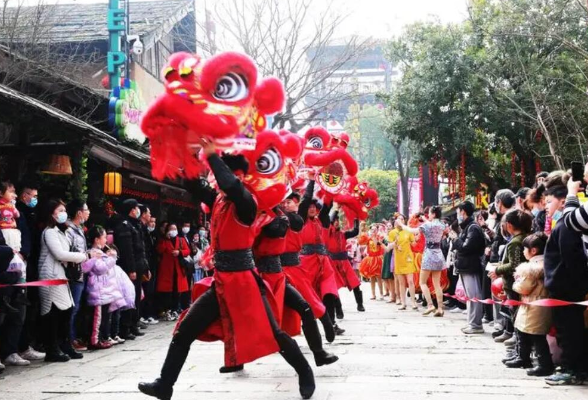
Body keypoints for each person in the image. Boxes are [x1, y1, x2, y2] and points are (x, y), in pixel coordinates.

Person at [139, 140, 316, 400]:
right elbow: (193, 185)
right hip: (221, 280)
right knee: (184, 331)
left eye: (225, 173)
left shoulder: (247, 203)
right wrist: (187, 156)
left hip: (244, 281)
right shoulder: (219, 200)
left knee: (274, 334)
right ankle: (165, 385)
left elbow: (231, 185)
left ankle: (305, 372)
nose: (217, 179)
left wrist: (210, 155)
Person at [545, 178, 588, 385]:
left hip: (567, 287)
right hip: (565, 285)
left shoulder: (567, 225)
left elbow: (571, 256)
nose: (546, 206)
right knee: (568, 328)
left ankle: (572, 368)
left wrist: (577, 283)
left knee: (569, 330)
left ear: (564, 202)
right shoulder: (562, 222)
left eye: (549, 201)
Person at [38, 199, 88, 362]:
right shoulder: (49, 232)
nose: (63, 213)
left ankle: (64, 344)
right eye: (60, 210)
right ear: (51, 213)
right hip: (51, 276)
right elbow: (59, 254)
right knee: (53, 313)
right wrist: (83, 257)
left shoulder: (61, 232)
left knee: (66, 311)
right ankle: (52, 349)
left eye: (64, 210)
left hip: (62, 276)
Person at [298, 178, 344, 336]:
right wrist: (311, 180)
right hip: (306, 264)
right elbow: (303, 203)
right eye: (309, 207)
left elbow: (327, 206)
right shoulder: (301, 220)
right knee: (307, 297)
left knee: (329, 293)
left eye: (314, 207)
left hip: (323, 263)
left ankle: (331, 324)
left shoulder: (321, 220)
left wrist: (331, 185)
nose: (311, 209)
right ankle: (307, 325)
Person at [504, 233, 553, 377]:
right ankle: (523, 358)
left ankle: (544, 365)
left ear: (533, 250)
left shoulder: (531, 268)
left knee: (536, 336)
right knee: (524, 332)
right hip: (534, 304)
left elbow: (523, 287)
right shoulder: (545, 263)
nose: (523, 251)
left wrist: (515, 283)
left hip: (534, 305)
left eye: (524, 248)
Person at [490, 210, 533, 347]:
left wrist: (497, 269)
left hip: (514, 284)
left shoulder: (515, 242)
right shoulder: (527, 237)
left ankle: (520, 346)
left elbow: (514, 265)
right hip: (523, 283)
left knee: (515, 314)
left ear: (508, 225)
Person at [14, 182, 44, 362]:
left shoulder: (28, 214)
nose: (35, 200)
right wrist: (24, 253)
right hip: (20, 262)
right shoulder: (17, 213)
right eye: (33, 196)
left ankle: (25, 344)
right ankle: (19, 347)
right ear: (24, 195)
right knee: (20, 307)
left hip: (30, 262)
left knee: (29, 307)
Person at [83, 226, 125, 350]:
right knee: (97, 317)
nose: (106, 240)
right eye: (104, 237)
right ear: (96, 239)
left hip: (104, 290)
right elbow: (100, 269)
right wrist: (111, 259)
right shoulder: (93, 253)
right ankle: (94, 340)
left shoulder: (100, 253)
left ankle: (101, 338)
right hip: (97, 291)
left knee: (104, 317)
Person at [401, 206, 446, 317]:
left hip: (429, 254)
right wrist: (425, 220)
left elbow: (413, 230)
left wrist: (401, 225)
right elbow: (432, 225)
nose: (428, 216)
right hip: (439, 253)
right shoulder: (442, 225)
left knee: (422, 282)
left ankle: (430, 305)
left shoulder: (426, 225)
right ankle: (440, 308)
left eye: (430, 213)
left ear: (434, 214)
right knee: (437, 284)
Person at [113, 198, 148, 340]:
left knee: (136, 297)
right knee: (129, 297)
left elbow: (141, 249)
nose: (137, 211)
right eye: (135, 208)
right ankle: (125, 328)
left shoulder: (135, 225)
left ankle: (134, 324)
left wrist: (145, 267)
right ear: (131, 210)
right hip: (130, 268)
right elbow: (128, 251)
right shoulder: (124, 226)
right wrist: (131, 269)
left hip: (139, 265)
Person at [452, 201, 487, 334]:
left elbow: (466, 247)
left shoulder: (473, 228)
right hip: (466, 266)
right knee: (470, 297)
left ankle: (476, 324)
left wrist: (456, 240)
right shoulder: (467, 227)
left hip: (471, 266)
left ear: (463, 212)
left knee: (474, 296)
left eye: (458, 212)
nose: (457, 215)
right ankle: (472, 323)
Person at [488, 190, 516, 338]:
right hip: (501, 260)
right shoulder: (503, 218)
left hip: (508, 263)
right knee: (503, 296)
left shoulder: (512, 217)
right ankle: (506, 328)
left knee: (509, 296)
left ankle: (510, 331)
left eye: (496, 201)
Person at [326, 208, 364, 313]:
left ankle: (360, 304)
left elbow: (355, 231)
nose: (337, 223)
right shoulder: (328, 233)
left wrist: (356, 216)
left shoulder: (343, 234)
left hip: (344, 262)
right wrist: (337, 209)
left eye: (338, 221)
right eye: (335, 221)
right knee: (333, 287)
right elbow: (330, 221)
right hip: (332, 263)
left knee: (355, 283)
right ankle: (338, 308)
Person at [65, 199, 90, 351]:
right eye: (86, 210)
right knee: (72, 308)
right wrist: (86, 255)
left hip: (81, 272)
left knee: (77, 307)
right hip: (73, 273)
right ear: (79, 212)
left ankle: (73, 337)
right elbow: (68, 252)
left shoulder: (78, 229)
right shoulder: (69, 230)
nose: (88, 213)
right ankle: (69, 339)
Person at [156, 223, 191, 319]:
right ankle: (167, 310)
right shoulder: (163, 240)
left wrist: (180, 252)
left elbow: (188, 251)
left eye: (175, 228)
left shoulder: (181, 239)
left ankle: (175, 309)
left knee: (177, 291)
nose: (173, 230)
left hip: (178, 269)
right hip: (167, 269)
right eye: (171, 229)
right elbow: (160, 250)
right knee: (167, 292)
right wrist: (165, 239)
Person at [389, 215, 418, 310]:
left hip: (408, 258)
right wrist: (396, 245)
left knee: (410, 281)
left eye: (402, 219)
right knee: (401, 283)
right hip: (398, 259)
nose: (401, 220)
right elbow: (390, 245)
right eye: (399, 219)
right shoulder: (393, 232)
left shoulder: (408, 231)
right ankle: (403, 303)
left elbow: (413, 243)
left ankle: (413, 302)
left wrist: (417, 239)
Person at [140, 206, 159, 326]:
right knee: (144, 291)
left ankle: (148, 314)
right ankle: (143, 315)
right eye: (149, 215)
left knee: (150, 291)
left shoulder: (152, 234)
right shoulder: (141, 229)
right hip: (144, 265)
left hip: (151, 265)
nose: (152, 224)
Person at [358, 227, 384, 301]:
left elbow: (377, 245)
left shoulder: (380, 237)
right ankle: (373, 294)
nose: (373, 231)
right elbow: (360, 242)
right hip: (370, 259)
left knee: (379, 277)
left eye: (375, 229)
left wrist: (375, 238)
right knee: (372, 277)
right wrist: (360, 229)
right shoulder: (368, 239)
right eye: (372, 229)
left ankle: (381, 294)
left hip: (377, 259)